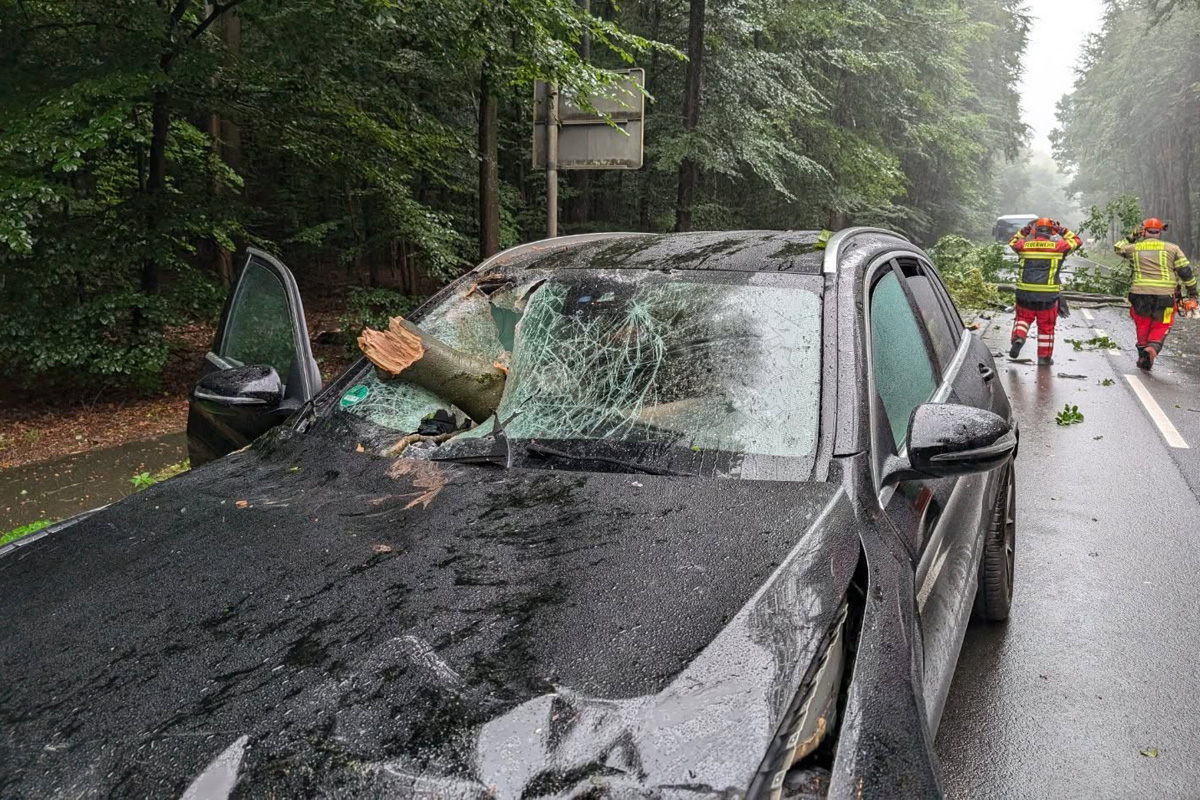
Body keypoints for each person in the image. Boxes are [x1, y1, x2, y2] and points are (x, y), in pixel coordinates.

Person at [1115, 218, 1199, 371]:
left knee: (1142, 323)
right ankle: (1151, 350)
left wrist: (1133, 235)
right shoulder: (1173, 249)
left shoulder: (1135, 248)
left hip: (1139, 294)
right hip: (1165, 297)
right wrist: (1193, 294)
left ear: (1144, 231)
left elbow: (1118, 247)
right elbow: (1186, 272)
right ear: (1160, 232)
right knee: (1162, 324)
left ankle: (1142, 353)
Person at [1008, 217, 1083, 365]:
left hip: (1025, 294)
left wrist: (1025, 231)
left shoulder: (1024, 246)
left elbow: (1013, 242)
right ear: (1051, 232)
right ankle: (1044, 358)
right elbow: (1077, 241)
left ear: (1035, 231)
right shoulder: (1059, 247)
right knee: (1046, 328)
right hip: (1048, 297)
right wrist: (1062, 230)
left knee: (1022, 319)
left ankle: (1019, 338)